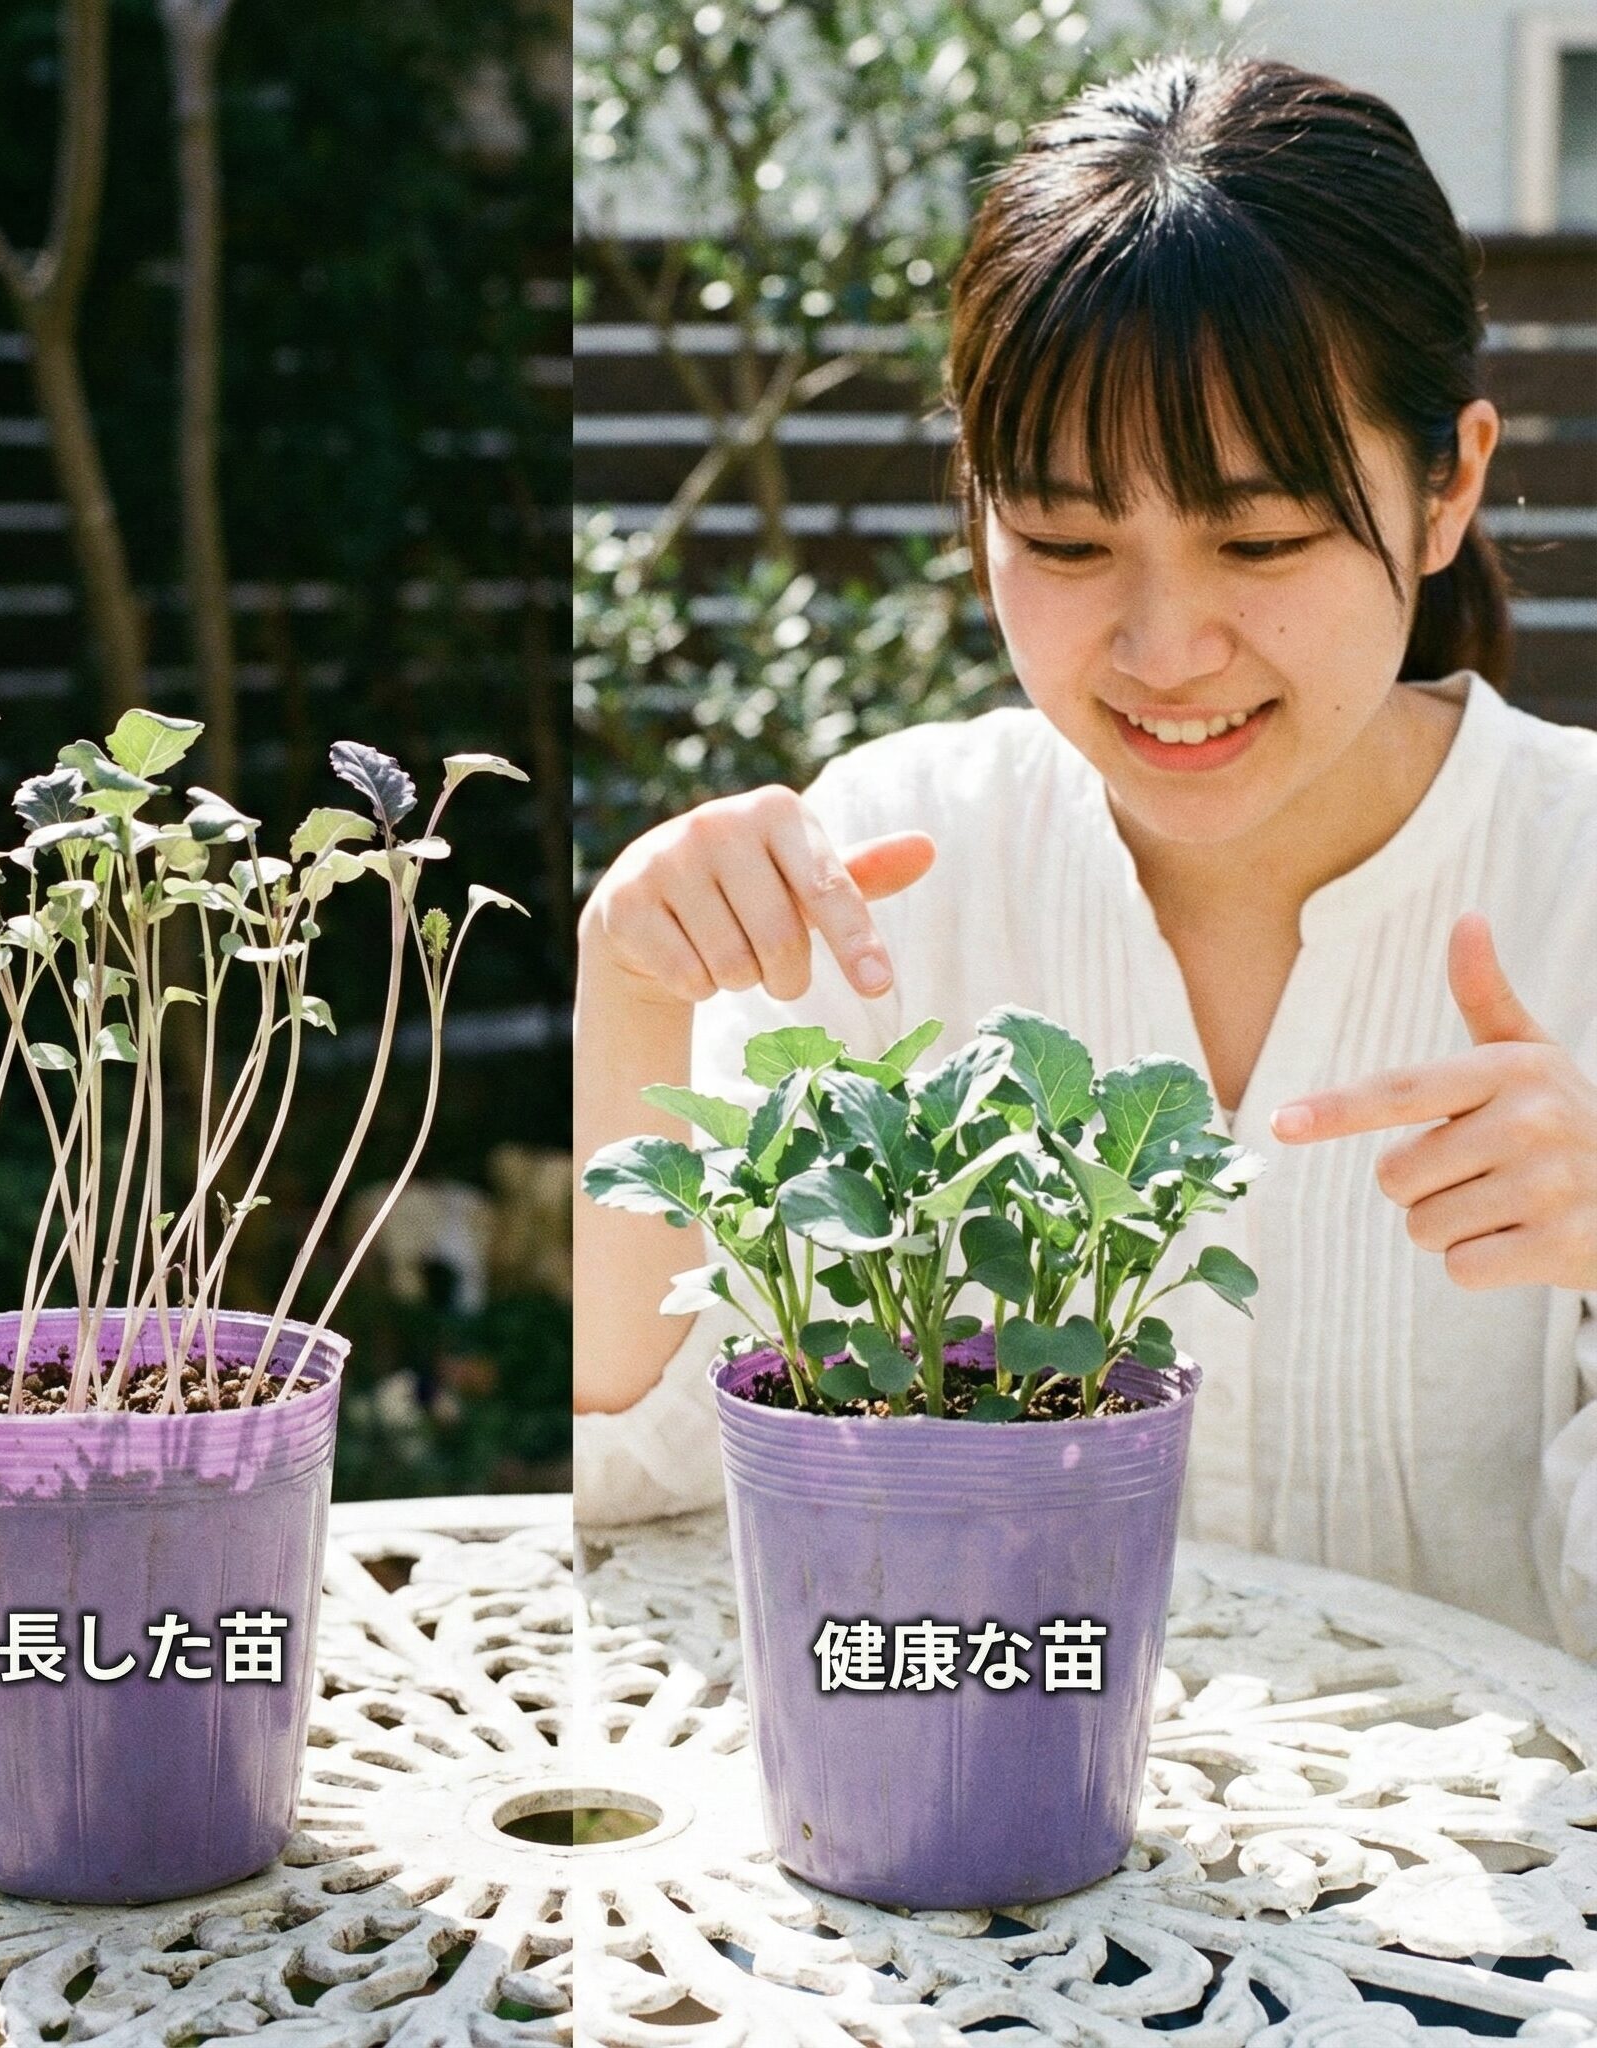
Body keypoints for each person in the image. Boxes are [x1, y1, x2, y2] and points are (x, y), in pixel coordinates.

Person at [572, 55, 1597, 1656]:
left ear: (1449, 485)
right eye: (1064, 541)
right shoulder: (890, 862)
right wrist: (633, 993)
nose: (1165, 649)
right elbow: (638, 1483)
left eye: (1260, 541)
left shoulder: (1575, 874)